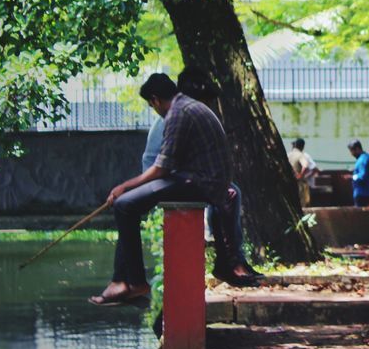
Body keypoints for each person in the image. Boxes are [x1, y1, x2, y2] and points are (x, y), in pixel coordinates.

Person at [92, 73, 233, 306]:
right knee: (128, 204)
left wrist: (123, 186)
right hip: (203, 180)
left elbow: (161, 169)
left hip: (202, 184)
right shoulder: (188, 107)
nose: (153, 109)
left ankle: (132, 282)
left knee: (125, 205)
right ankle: (122, 281)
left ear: (156, 100)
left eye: (151, 105)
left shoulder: (177, 114)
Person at [175, 67, 261, 286]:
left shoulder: (192, 117)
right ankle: (230, 263)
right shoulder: (178, 117)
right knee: (227, 194)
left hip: (196, 179)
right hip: (178, 182)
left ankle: (233, 261)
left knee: (229, 193)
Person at [287, 138, 320, 208]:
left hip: (289, 183)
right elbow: (305, 166)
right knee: (302, 205)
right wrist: (300, 176)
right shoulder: (301, 155)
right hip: (299, 184)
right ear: (303, 146)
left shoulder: (288, 155)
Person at [348, 140, 369, 207]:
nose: (351, 154)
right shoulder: (368, 157)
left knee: (361, 215)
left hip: (361, 194)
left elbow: (362, 176)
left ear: (357, 149)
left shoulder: (362, 160)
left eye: (351, 151)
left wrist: (351, 177)